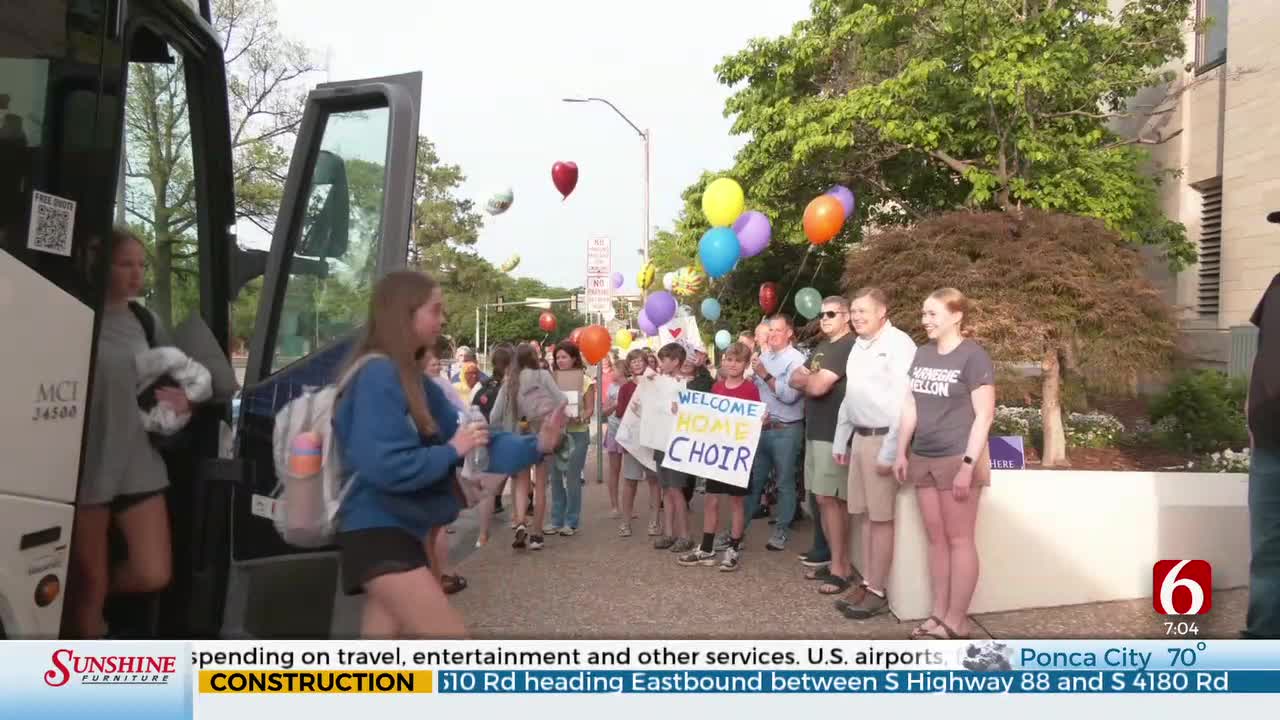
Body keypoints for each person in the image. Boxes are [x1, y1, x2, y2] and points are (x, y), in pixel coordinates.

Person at [332, 270, 567, 638]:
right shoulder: (379, 376)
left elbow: (478, 438)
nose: (442, 320)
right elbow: (386, 465)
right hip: (379, 531)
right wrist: (452, 451)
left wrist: (537, 445)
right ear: (405, 313)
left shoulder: (414, 380)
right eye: (435, 309)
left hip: (396, 529)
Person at [67, 228, 190, 638]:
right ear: (98, 264)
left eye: (141, 264)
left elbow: (172, 377)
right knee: (90, 586)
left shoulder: (145, 320)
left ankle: (76, 606)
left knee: (153, 572)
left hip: (139, 461)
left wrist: (180, 402)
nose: (137, 274)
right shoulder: (74, 314)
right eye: (126, 264)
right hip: (87, 463)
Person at [894, 288, 995, 640]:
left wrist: (968, 466)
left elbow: (984, 415)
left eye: (933, 314)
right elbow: (910, 406)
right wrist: (901, 451)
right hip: (924, 456)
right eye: (924, 314)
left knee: (960, 540)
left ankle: (957, 619)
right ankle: (938, 614)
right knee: (936, 540)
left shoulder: (973, 356)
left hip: (957, 456)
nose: (926, 321)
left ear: (956, 316)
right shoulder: (921, 354)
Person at [833, 287, 917, 619]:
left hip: (884, 439)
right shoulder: (858, 347)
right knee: (866, 517)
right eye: (852, 311)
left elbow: (905, 402)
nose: (856, 317)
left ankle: (878, 590)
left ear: (883, 311)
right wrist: (842, 439)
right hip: (860, 439)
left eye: (862, 311)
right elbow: (850, 397)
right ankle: (867, 582)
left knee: (882, 520)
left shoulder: (899, 345)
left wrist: (893, 449)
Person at [789, 296, 857, 595]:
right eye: (822, 314)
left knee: (832, 501)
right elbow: (793, 378)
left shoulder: (847, 346)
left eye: (832, 313)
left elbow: (814, 385)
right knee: (821, 500)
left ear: (847, 317)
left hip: (833, 433)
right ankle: (832, 562)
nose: (825, 318)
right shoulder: (822, 347)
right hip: (814, 430)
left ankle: (842, 569)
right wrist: (810, 379)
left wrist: (810, 379)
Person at [678, 342, 760, 572]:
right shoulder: (717, 388)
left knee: (736, 502)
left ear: (745, 365)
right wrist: (684, 414)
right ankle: (706, 547)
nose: (732, 364)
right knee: (711, 500)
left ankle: (733, 547)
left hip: (736, 455)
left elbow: (753, 419)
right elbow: (706, 417)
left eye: (738, 361)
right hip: (717, 454)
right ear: (723, 361)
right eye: (729, 359)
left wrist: (760, 421)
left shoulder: (750, 389)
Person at [738, 315, 806, 551]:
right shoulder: (764, 357)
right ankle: (738, 532)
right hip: (762, 429)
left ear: (789, 332)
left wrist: (765, 375)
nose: (773, 334)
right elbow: (755, 393)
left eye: (778, 330)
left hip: (786, 430)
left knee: (784, 482)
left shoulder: (797, 360)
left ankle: (781, 531)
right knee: (752, 482)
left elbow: (789, 396)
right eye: (770, 331)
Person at [492, 343, 568, 551]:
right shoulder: (543, 376)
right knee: (541, 486)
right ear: (535, 357)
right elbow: (562, 400)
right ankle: (537, 535)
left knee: (521, 485)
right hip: (542, 438)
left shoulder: (509, 381)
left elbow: (494, 416)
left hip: (518, 440)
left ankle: (520, 524)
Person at [1244, 210, 1280, 639]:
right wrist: (1248, 412)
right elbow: (1262, 353)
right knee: (1268, 553)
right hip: (1270, 445)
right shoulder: (1276, 287)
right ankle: (1262, 644)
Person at [648, 343, 695, 553]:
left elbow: (688, 410)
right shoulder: (661, 382)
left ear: (675, 361)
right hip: (661, 441)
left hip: (676, 444)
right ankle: (668, 533)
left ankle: (685, 534)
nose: (661, 363)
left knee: (676, 490)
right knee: (665, 489)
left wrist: (677, 408)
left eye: (665, 359)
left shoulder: (683, 384)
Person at [547, 341, 594, 536]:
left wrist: (581, 416)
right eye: (558, 357)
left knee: (573, 477)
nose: (561, 360)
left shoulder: (585, 381)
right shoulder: (551, 380)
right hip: (557, 432)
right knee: (556, 477)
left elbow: (590, 408)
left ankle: (571, 521)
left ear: (574, 358)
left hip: (577, 432)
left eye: (564, 357)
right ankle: (556, 520)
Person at [470, 344, 516, 546]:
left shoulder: (482, 386)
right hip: (509, 437)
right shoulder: (513, 386)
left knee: (487, 488)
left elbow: (471, 411)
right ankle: (518, 518)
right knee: (517, 478)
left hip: (486, 438)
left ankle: (483, 534)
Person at [615, 349, 662, 537]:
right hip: (633, 441)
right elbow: (619, 413)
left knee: (654, 481)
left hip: (651, 439)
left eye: (639, 360)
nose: (636, 364)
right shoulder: (626, 388)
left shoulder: (655, 383)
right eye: (632, 361)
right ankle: (625, 522)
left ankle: (654, 521)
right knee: (630, 481)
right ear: (629, 365)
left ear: (646, 362)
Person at [601, 352, 627, 516]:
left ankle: (627, 506)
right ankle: (614, 505)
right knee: (614, 470)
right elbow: (604, 410)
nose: (613, 374)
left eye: (616, 370)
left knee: (631, 473)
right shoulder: (612, 388)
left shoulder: (632, 386)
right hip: (613, 431)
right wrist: (616, 405)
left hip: (629, 433)